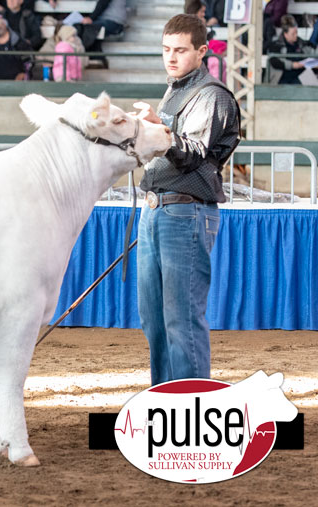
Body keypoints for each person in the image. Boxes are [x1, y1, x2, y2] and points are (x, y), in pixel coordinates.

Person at [135, 14, 240, 386]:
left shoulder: (211, 94)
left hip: (186, 212)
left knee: (181, 317)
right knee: (154, 317)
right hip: (159, 209)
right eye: (166, 50)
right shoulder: (176, 90)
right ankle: (165, 401)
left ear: (202, 51)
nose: (171, 57)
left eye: (180, 50)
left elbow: (194, 153)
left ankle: (191, 405)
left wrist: (156, 129)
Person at [266, 15, 318, 85]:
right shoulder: (276, 44)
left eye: (296, 32)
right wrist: (292, 65)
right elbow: (274, 61)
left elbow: (312, 53)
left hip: (301, 78)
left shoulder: (301, 43)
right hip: (282, 79)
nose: (296, 35)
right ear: (285, 34)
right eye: (293, 34)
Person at [0, 13, 31, 80]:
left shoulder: (18, 41)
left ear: (6, 24)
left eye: (1, 23)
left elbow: (29, 59)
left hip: (16, 82)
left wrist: (23, 73)